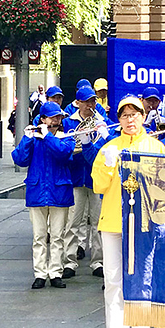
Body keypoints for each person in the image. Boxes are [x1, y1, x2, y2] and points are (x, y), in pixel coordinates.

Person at [92, 96, 165, 328]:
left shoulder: (155, 147)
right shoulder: (109, 148)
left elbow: (163, 185)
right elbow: (98, 186)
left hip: (143, 222)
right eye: (125, 115)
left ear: (143, 117)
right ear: (119, 119)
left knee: (143, 277)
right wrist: (109, 165)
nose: (130, 119)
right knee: (113, 278)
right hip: (114, 221)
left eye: (135, 114)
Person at [11, 102, 75, 289]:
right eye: (52, 117)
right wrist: (27, 138)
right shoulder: (34, 138)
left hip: (59, 191)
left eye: (58, 117)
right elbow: (20, 159)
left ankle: (55, 272)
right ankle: (40, 273)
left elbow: (63, 154)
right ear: (43, 119)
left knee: (57, 236)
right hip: (37, 191)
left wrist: (47, 136)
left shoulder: (65, 136)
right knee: (39, 236)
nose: (56, 120)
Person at [63, 86, 107, 278]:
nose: (91, 105)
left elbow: (105, 147)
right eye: (87, 102)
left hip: (95, 176)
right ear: (78, 103)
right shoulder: (67, 123)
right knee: (73, 221)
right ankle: (69, 262)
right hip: (75, 175)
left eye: (93, 101)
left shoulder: (102, 122)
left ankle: (98, 261)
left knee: (98, 223)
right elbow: (65, 147)